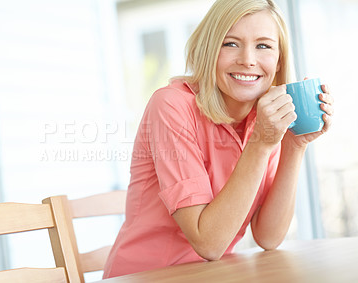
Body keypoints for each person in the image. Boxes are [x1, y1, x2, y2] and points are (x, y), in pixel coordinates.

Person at [103, 0, 334, 278]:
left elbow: (268, 237)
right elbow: (208, 243)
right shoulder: (171, 106)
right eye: (230, 43)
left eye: (263, 46)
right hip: (147, 276)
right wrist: (260, 143)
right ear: (209, 51)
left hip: (214, 275)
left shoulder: (263, 119)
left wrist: (295, 145)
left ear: (279, 60)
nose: (248, 59)